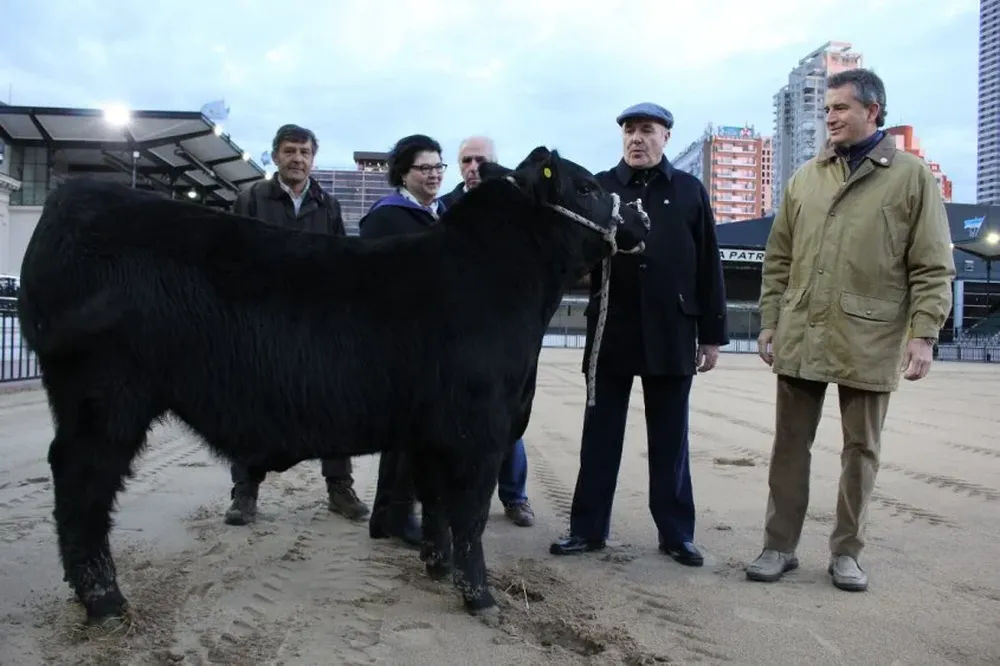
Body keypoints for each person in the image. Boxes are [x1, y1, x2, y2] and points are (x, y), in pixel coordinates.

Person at [745, 69, 955, 592]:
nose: (830, 118)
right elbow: (779, 259)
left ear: (872, 112)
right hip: (801, 331)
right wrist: (770, 319)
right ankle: (778, 546)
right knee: (789, 446)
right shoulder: (805, 177)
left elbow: (931, 265)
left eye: (840, 108)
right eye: (827, 110)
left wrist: (924, 334)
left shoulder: (911, 178)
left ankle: (846, 553)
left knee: (861, 452)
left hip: (872, 335)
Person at [549, 103, 728, 566]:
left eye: (647, 130)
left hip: (672, 328)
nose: (636, 139)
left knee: (670, 439)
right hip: (611, 328)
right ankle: (587, 530)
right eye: (629, 130)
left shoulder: (689, 190)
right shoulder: (601, 187)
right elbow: (573, 253)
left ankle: (675, 534)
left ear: (666, 137)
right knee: (600, 436)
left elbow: (709, 264)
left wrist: (711, 336)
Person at [222, 123, 370, 527]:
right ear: (275, 156)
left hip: (315, 325)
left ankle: (339, 486)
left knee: (332, 406)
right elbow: (231, 260)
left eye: (305, 152)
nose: (298, 159)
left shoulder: (328, 205)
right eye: (290, 151)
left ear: (313, 158)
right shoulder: (250, 198)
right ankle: (245, 491)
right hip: (262, 325)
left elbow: (342, 263)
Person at [439, 134, 535, 527]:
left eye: (480, 160)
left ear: (495, 163)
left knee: (504, 417)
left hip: (500, 333)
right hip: (450, 332)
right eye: (466, 160)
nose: (473, 167)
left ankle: (515, 497)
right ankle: (449, 501)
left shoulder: (516, 206)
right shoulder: (444, 207)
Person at [359, 134, 449, 547]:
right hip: (396, 342)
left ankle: (387, 515)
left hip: (429, 342)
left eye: (437, 167)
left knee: (408, 435)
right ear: (403, 174)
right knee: (408, 433)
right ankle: (396, 514)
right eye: (424, 168)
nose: (433, 175)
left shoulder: (440, 213)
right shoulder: (385, 218)